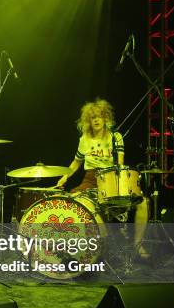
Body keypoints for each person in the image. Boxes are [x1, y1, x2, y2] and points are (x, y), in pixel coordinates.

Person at [56, 98, 150, 261]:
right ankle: (79, 248)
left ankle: (138, 245)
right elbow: (76, 162)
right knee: (75, 202)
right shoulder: (84, 139)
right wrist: (64, 178)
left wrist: (118, 182)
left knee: (143, 203)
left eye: (99, 116)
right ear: (88, 121)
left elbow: (120, 164)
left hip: (110, 179)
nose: (96, 120)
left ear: (106, 118)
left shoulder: (116, 137)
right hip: (90, 179)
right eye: (93, 118)